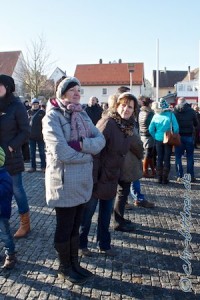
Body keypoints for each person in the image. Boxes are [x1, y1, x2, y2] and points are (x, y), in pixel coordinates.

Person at [42, 76, 105, 284]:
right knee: (65, 225)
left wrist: (80, 144)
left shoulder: (83, 113)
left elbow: (100, 140)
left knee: (76, 224)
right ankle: (64, 267)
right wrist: (87, 154)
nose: (77, 93)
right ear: (62, 93)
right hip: (64, 181)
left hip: (82, 180)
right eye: (72, 90)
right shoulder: (52, 117)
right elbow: (61, 152)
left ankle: (75, 264)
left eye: (79, 89)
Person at [80, 92, 135, 255]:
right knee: (87, 214)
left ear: (134, 110)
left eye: (130, 107)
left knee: (105, 215)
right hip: (97, 176)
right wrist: (94, 178)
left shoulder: (128, 126)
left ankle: (104, 244)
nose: (126, 109)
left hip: (112, 177)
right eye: (123, 105)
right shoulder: (108, 122)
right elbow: (94, 151)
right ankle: (81, 244)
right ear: (117, 105)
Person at [0, 74, 31, 238]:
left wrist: (10, 147)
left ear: (8, 87)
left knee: (17, 190)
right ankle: (3, 223)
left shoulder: (16, 105)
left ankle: (25, 224)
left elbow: (26, 131)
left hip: (11, 156)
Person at [149, 98, 179, 184]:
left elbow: (151, 129)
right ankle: (164, 178)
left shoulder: (156, 115)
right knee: (167, 158)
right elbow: (176, 127)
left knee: (159, 158)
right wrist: (174, 135)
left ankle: (159, 178)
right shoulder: (170, 115)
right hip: (168, 139)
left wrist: (155, 136)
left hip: (158, 139)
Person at [174, 97, 198, 182]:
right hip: (188, 136)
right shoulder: (191, 111)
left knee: (178, 157)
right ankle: (190, 176)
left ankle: (179, 176)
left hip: (178, 137)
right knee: (190, 157)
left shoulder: (175, 111)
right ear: (185, 102)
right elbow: (196, 123)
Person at [0, 147, 17, 269]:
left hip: (1, 212)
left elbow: (5, 190)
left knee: (5, 234)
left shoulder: (4, 176)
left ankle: (10, 255)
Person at [27, 98, 46, 173]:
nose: (35, 105)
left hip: (40, 136)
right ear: (31, 105)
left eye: (36, 104)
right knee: (32, 153)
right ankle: (33, 167)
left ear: (39, 105)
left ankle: (43, 167)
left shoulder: (42, 112)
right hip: (31, 136)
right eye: (34, 104)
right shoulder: (28, 112)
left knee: (42, 153)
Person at [138, 96, 156, 177]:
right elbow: (152, 125)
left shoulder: (141, 112)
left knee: (150, 154)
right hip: (149, 135)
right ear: (149, 104)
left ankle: (152, 170)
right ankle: (145, 171)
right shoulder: (150, 113)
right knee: (148, 154)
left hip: (142, 134)